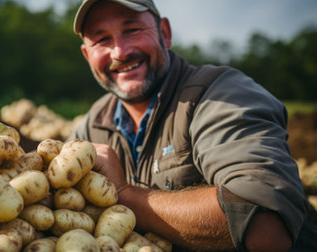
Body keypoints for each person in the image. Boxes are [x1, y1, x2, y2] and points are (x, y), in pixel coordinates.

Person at [68, 0, 317, 251]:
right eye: (101, 40)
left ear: (164, 33)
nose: (120, 52)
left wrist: (122, 194)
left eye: (132, 30)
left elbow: (265, 230)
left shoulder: (221, 94)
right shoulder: (94, 122)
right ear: (87, 55)